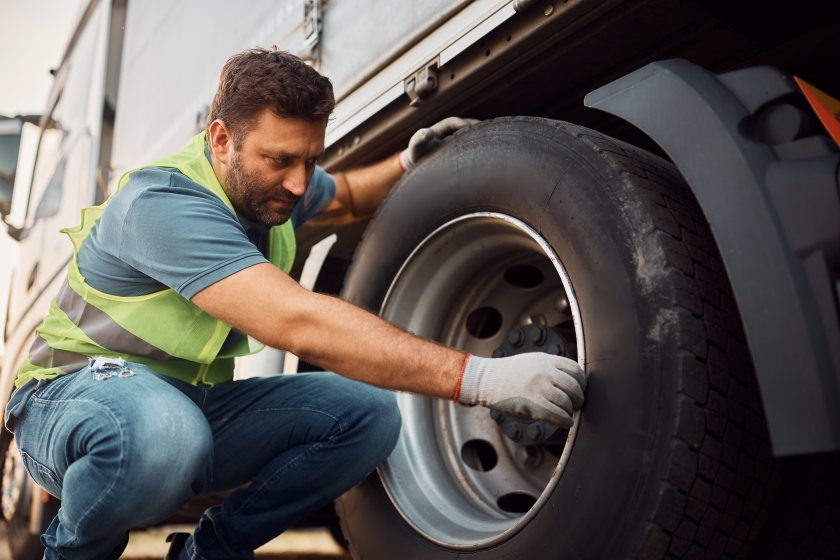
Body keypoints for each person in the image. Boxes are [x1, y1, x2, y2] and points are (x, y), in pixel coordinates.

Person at [4, 48, 586, 560]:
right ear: (221, 139)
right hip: (69, 400)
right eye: (281, 160)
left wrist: (408, 162)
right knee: (164, 433)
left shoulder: (268, 190)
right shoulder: (162, 203)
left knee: (367, 415)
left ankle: (212, 552)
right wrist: (479, 377)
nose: (300, 183)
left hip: (184, 408)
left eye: (309, 159)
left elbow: (348, 195)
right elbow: (297, 322)